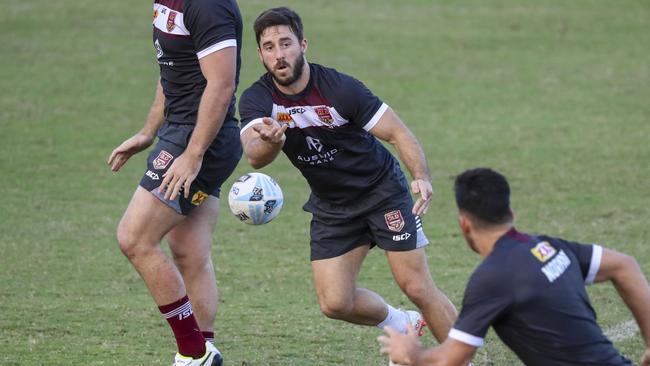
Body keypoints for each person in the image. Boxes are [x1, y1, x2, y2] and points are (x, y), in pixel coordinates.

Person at [237, 6, 458, 360]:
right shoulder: (257, 99)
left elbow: (398, 133)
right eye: (269, 47)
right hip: (332, 205)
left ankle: (463, 357)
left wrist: (421, 177)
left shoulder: (340, 89)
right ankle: (401, 324)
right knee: (335, 302)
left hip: (382, 192)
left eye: (285, 43)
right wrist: (272, 141)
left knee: (416, 285)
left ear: (303, 44)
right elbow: (253, 155)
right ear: (261, 54)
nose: (279, 55)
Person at [378, 168, 650, 366]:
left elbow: (453, 358)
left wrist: (413, 355)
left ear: (464, 225)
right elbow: (625, 266)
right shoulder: (550, 247)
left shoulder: (492, 278)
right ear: (511, 214)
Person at [107, 0, 243, 365]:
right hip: (185, 132)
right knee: (189, 250)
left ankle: (193, 352)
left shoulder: (207, 5)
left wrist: (194, 153)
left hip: (197, 138)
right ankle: (204, 350)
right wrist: (148, 131)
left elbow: (222, 82)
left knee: (134, 238)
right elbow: (175, 69)